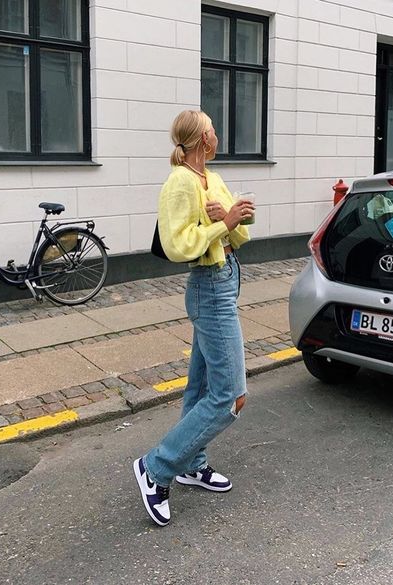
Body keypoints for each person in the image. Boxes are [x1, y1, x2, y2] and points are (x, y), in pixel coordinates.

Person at [133, 110, 255, 526]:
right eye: (213, 129)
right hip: (208, 286)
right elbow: (176, 243)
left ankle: (190, 462)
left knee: (201, 386)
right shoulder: (179, 182)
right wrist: (220, 227)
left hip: (228, 279)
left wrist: (234, 221)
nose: (218, 135)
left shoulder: (212, 179)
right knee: (230, 396)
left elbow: (237, 235)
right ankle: (157, 466)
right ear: (203, 138)